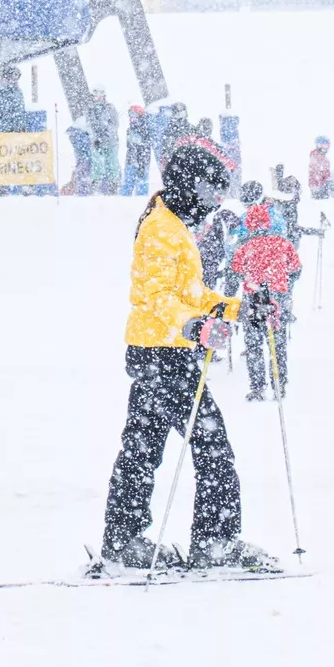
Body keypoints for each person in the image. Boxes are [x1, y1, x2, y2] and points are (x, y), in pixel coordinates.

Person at [99, 143, 270, 572]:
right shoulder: (161, 229)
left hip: (158, 353)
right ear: (191, 186)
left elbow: (189, 296)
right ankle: (215, 543)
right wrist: (194, 327)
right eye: (211, 193)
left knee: (142, 448)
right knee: (212, 446)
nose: (213, 205)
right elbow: (155, 297)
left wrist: (240, 307)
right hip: (165, 355)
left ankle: (123, 539)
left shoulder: (173, 226)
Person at [230, 203, 302, 400]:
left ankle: (257, 386)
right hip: (277, 298)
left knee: (254, 344)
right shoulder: (283, 243)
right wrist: (285, 282)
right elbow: (296, 268)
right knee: (277, 344)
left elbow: (235, 272)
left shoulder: (244, 247)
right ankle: (279, 383)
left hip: (252, 298)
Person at [88, 91, 120, 194]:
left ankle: (113, 186)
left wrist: (104, 136)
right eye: (95, 95)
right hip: (97, 143)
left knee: (112, 164)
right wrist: (95, 138)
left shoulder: (110, 108)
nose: (97, 98)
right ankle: (94, 186)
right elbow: (90, 125)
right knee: (97, 164)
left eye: (99, 95)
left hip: (110, 142)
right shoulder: (90, 109)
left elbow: (114, 125)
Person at [122, 105, 151, 195]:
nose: (131, 117)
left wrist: (142, 163)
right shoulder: (130, 129)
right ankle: (122, 203)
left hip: (142, 161)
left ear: (140, 115)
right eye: (130, 115)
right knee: (127, 184)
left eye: (134, 114)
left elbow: (145, 148)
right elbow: (130, 146)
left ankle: (141, 202)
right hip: (131, 160)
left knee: (142, 183)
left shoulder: (145, 130)